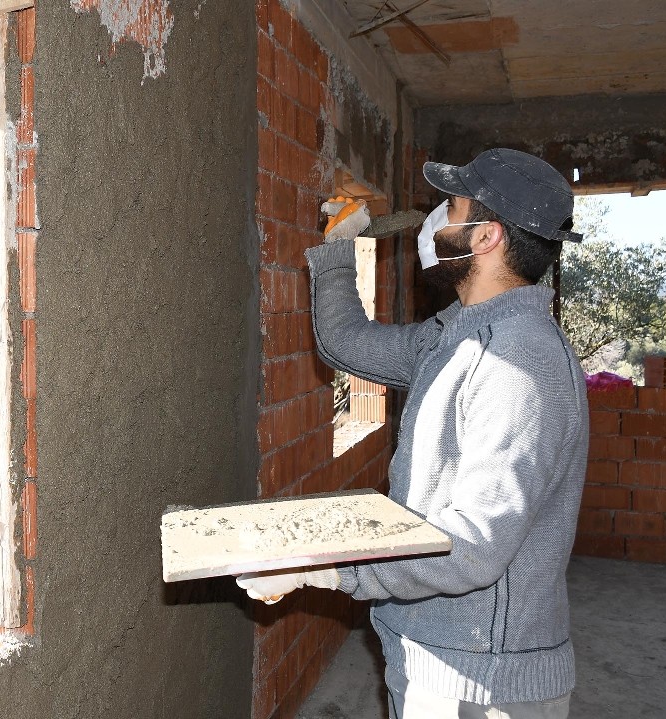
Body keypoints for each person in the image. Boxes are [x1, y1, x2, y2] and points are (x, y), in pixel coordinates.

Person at [237, 148, 589, 719]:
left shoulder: (520, 366)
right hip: (440, 660)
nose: (437, 221)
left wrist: (320, 564)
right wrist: (336, 251)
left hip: (482, 685)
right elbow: (347, 345)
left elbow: (471, 548)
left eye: (452, 208)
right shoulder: (459, 337)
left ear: (485, 238)